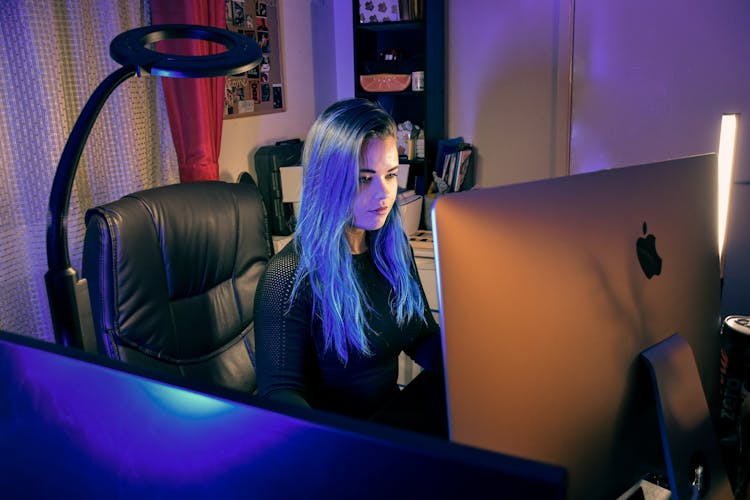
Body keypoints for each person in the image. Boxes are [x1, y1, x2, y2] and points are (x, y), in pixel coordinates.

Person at [254, 98, 444, 432]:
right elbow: (280, 394)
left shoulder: (393, 247)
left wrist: (471, 364)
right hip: (337, 444)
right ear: (328, 181)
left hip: (388, 424)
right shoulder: (287, 276)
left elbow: (420, 336)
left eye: (390, 175)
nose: (384, 194)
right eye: (364, 179)